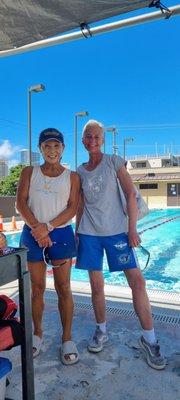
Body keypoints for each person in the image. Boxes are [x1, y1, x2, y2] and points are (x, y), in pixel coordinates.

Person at [75, 119, 165, 370]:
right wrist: (76, 231)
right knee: (96, 285)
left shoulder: (114, 162)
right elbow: (80, 203)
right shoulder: (79, 171)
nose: (92, 140)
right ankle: (101, 330)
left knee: (137, 281)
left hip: (117, 234)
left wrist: (132, 229)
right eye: (88, 136)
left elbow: (130, 194)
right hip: (89, 234)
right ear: (82, 141)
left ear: (102, 140)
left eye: (96, 136)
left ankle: (150, 339)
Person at [16, 128, 80, 365]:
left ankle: (67, 338)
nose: (52, 151)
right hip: (32, 231)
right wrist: (37, 228)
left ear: (63, 149)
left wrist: (48, 226)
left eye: (56, 146)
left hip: (61, 232)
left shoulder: (72, 177)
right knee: (37, 287)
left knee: (63, 286)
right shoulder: (28, 172)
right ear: (40, 149)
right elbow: (20, 202)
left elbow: (72, 207)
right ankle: (37, 334)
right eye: (47, 146)